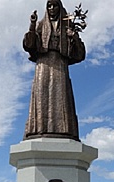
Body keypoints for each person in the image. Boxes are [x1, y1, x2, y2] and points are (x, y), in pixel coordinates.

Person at [22, 0, 86, 141]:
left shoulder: (67, 26)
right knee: (42, 96)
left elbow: (80, 54)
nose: (52, 8)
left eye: (55, 5)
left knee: (61, 96)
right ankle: (39, 129)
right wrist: (32, 25)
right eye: (49, 5)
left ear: (60, 7)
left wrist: (73, 37)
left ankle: (63, 129)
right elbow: (29, 45)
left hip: (60, 65)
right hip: (43, 66)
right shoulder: (40, 25)